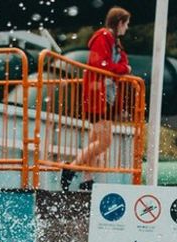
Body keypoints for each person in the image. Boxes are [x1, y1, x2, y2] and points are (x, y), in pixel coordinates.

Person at [61, 6, 132, 192]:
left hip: (104, 95)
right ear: (119, 23)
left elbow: (123, 62)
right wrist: (122, 69)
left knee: (95, 138)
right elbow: (101, 64)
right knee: (104, 141)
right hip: (98, 95)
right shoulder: (103, 37)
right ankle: (71, 168)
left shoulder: (114, 42)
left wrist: (121, 68)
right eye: (126, 24)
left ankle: (87, 178)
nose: (127, 28)